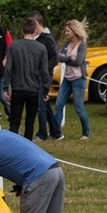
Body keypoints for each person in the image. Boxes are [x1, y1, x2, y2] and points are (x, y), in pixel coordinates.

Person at [3, 18, 50, 141]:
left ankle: (12, 143)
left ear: (22, 30)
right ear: (35, 31)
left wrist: (5, 87)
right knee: (30, 121)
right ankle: (27, 144)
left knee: (14, 120)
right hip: (33, 89)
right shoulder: (41, 48)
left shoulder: (14, 46)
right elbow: (44, 71)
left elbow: (8, 68)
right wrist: (46, 90)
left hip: (18, 87)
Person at [28, 12, 64, 141]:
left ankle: (42, 133)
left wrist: (44, 70)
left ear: (36, 23)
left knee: (40, 105)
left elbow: (55, 57)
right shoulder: (35, 38)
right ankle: (56, 131)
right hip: (36, 75)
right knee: (44, 103)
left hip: (45, 75)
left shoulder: (47, 39)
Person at [54, 19, 91, 140]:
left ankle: (86, 133)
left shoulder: (82, 45)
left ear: (74, 31)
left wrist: (66, 58)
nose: (66, 33)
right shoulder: (66, 44)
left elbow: (78, 61)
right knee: (59, 104)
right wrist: (69, 58)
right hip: (67, 79)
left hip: (78, 79)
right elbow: (58, 56)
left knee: (78, 107)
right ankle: (56, 132)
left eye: (68, 31)